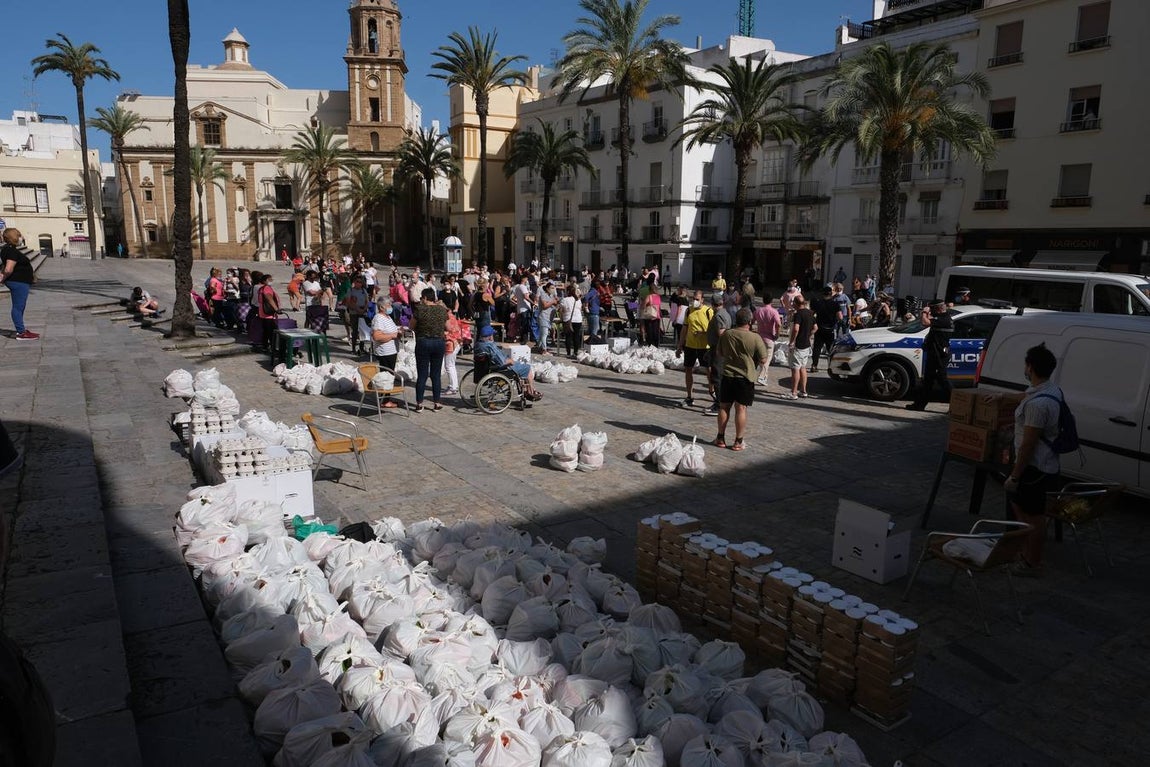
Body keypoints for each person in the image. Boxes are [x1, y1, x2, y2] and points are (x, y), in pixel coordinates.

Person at [1004, 343, 1064, 577]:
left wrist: (1015, 476)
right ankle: (1026, 553)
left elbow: (1029, 444)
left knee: (1033, 517)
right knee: (1024, 510)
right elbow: (1025, 396)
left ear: (1031, 367)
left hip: (1034, 468)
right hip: (1043, 465)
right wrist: (1002, 397)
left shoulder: (1038, 405)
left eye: (1026, 365)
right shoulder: (1050, 390)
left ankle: (1032, 562)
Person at [714, 308, 769, 451]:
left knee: (724, 407)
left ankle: (720, 438)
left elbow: (719, 353)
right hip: (745, 377)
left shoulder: (727, 334)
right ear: (749, 321)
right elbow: (763, 359)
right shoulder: (755, 337)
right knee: (741, 409)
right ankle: (738, 441)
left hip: (727, 375)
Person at [906, 299, 954, 411]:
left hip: (940, 355)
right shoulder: (942, 318)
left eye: (932, 309)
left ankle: (957, 404)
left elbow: (925, 322)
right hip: (934, 354)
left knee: (943, 380)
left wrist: (924, 312)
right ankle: (919, 405)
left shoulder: (945, 319)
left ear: (937, 308)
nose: (931, 312)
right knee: (927, 381)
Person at [473, 325, 544, 401]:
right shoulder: (490, 346)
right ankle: (530, 391)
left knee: (521, 367)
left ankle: (528, 390)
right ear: (490, 337)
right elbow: (502, 362)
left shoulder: (478, 345)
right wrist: (511, 361)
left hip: (485, 369)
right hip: (501, 368)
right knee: (527, 368)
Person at [409, 287, 448, 412]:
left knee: (422, 374)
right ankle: (437, 402)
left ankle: (419, 403)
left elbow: (411, 325)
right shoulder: (442, 310)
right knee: (436, 374)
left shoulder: (420, 309)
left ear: (425, 298)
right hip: (438, 343)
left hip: (423, 342)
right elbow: (447, 326)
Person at [676, 290, 713, 408]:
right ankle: (689, 396)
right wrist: (680, 345)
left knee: (709, 371)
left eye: (697, 299)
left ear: (702, 300)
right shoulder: (689, 311)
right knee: (688, 370)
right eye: (694, 298)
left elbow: (714, 330)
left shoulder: (708, 311)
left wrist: (703, 333)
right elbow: (684, 329)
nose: (695, 301)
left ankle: (713, 392)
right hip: (690, 345)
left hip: (704, 346)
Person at [0, 229, 37, 340]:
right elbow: (8, 269)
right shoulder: (11, 251)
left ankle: (21, 329)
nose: (21, 237)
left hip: (19, 281)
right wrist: (3, 277)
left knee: (20, 306)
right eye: (19, 235)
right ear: (14, 237)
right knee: (18, 307)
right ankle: (21, 332)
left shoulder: (9, 249)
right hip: (18, 282)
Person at [370, 296, 402, 409]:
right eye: (388, 305)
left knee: (389, 375)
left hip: (391, 351)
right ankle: (385, 399)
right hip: (385, 353)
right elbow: (377, 336)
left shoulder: (387, 317)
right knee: (386, 376)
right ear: (382, 307)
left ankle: (386, 398)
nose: (390, 307)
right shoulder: (378, 318)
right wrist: (393, 335)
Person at [704, 292, 731, 416]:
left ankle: (719, 404)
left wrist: (718, 349)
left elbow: (722, 333)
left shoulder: (719, 316)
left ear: (713, 304)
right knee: (718, 377)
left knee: (717, 377)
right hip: (719, 349)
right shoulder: (725, 313)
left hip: (718, 350)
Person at [786, 295, 817, 400]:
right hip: (806, 344)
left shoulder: (798, 314)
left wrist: (792, 341)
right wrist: (808, 335)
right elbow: (815, 328)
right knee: (803, 368)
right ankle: (803, 391)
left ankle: (793, 392)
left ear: (796, 303)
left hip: (798, 345)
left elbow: (795, 328)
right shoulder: (810, 313)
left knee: (795, 368)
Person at [752, 291, 781, 386]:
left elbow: (752, 321)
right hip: (769, 337)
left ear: (763, 300)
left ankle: (764, 377)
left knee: (761, 357)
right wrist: (777, 334)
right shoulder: (774, 311)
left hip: (759, 337)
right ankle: (761, 376)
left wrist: (752, 329)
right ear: (772, 301)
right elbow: (778, 324)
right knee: (767, 359)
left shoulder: (758, 310)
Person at [810, 285, 839, 373]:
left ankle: (814, 365)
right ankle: (831, 366)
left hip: (819, 328)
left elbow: (811, 314)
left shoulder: (818, 303)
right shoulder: (835, 304)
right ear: (831, 294)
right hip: (830, 329)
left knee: (817, 348)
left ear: (823, 294)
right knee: (830, 349)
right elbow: (840, 316)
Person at [343, 275, 371, 354]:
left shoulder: (363, 290)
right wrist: (357, 309)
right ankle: (353, 348)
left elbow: (367, 301)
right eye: (357, 282)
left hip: (363, 311)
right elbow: (348, 302)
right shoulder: (351, 290)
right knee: (355, 331)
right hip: (354, 312)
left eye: (360, 282)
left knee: (362, 330)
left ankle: (362, 348)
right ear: (354, 282)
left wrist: (364, 309)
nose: (359, 284)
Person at [255, 272, 283, 351]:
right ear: (264, 281)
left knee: (266, 331)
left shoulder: (261, 288)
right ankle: (273, 347)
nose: (271, 281)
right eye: (269, 279)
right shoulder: (267, 288)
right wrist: (276, 309)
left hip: (263, 313)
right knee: (271, 332)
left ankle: (265, 346)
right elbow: (269, 299)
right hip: (269, 314)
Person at [559, 283, 584, 358]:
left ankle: (568, 352)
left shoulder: (564, 300)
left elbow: (562, 310)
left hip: (568, 319)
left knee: (568, 336)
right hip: (578, 319)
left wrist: (561, 317)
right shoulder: (578, 300)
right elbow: (580, 308)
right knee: (576, 336)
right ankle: (575, 352)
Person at [443, 309, 464, 395]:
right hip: (456, 342)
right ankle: (454, 385)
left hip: (451, 343)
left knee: (449, 366)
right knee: (451, 365)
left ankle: (453, 387)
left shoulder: (446, 318)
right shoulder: (452, 316)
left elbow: (449, 331)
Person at [535, 280, 558, 354]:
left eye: (554, 288)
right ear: (547, 288)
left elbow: (555, 305)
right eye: (551, 288)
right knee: (545, 334)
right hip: (543, 316)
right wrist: (552, 302)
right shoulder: (543, 295)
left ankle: (539, 347)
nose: (553, 289)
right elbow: (545, 305)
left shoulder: (552, 296)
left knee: (542, 334)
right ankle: (544, 349)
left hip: (549, 318)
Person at [639, 274, 662, 347]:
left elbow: (642, 305)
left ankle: (647, 342)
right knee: (656, 332)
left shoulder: (648, 295)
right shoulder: (658, 297)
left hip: (649, 315)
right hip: (657, 316)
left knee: (649, 331)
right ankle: (656, 345)